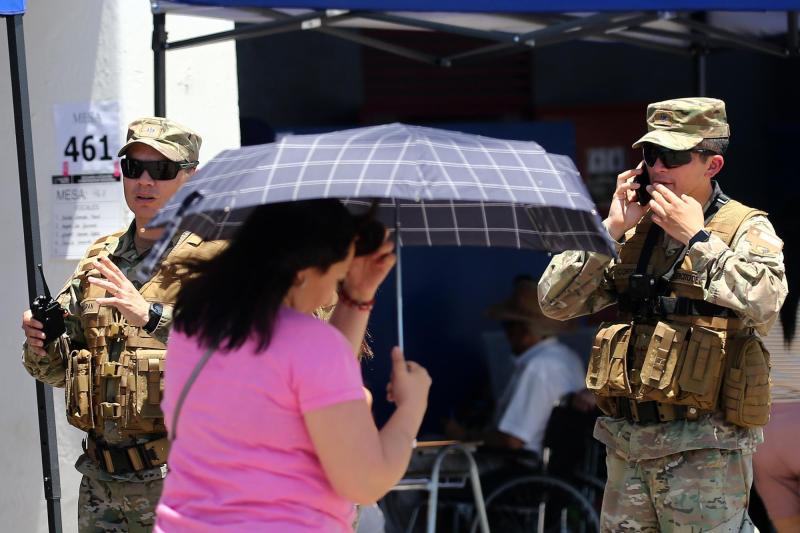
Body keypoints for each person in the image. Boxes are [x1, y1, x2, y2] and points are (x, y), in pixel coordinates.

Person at [538, 97, 787, 531]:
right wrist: (609, 230)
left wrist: (698, 238)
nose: (657, 166)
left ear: (712, 165)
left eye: (672, 155)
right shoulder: (631, 230)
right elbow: (555, 302)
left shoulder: (743, 226)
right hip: (627, 448)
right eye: (650, 154)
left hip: (704, 450)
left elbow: (767, 300)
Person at [154, 199, 432, 532]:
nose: (332, 291)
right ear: (301, 274)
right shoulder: (313, 346)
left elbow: (305, 378)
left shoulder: (194, 329)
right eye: (336, 278)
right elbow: (365, 482)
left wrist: (356, 294)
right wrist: (412, 406)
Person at [21, 117, 223, 532]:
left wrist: (152, 316)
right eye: (133, 168)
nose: (144, 181)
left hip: (181, 482)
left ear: (190, 178)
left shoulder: (216, 256)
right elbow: (60, 369)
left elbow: (244, 351)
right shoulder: (101, 256)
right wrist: (42, 340)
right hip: (100, 483)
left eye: (162, 170)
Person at [449, 275, 586, 456]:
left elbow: (513, 440)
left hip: (520, 467)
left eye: (508, 327)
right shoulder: (568, 358)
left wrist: (465, 436)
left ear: (524, 331)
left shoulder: (539, 367)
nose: (506, 335)